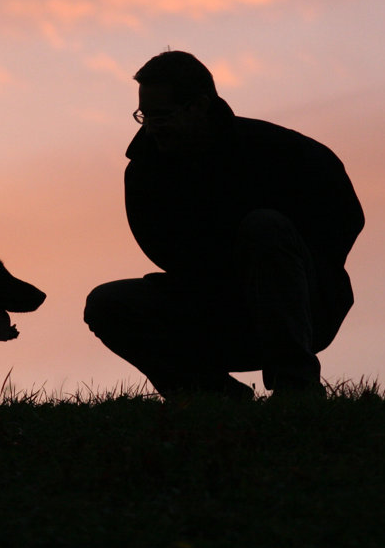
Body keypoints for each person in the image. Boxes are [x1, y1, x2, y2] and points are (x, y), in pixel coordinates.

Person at [84, 50, 364, 402]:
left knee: (265, 227)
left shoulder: (283, 152)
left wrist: (291, 270)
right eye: (145, 116)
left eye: (162, 115)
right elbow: (164, 252)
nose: (152, 127)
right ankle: (213, 397)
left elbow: (344, 217)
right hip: (213, 308)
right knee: (107, 304)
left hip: (305, 308)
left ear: (198, 106)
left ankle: (297, 388)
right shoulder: (145, 173)